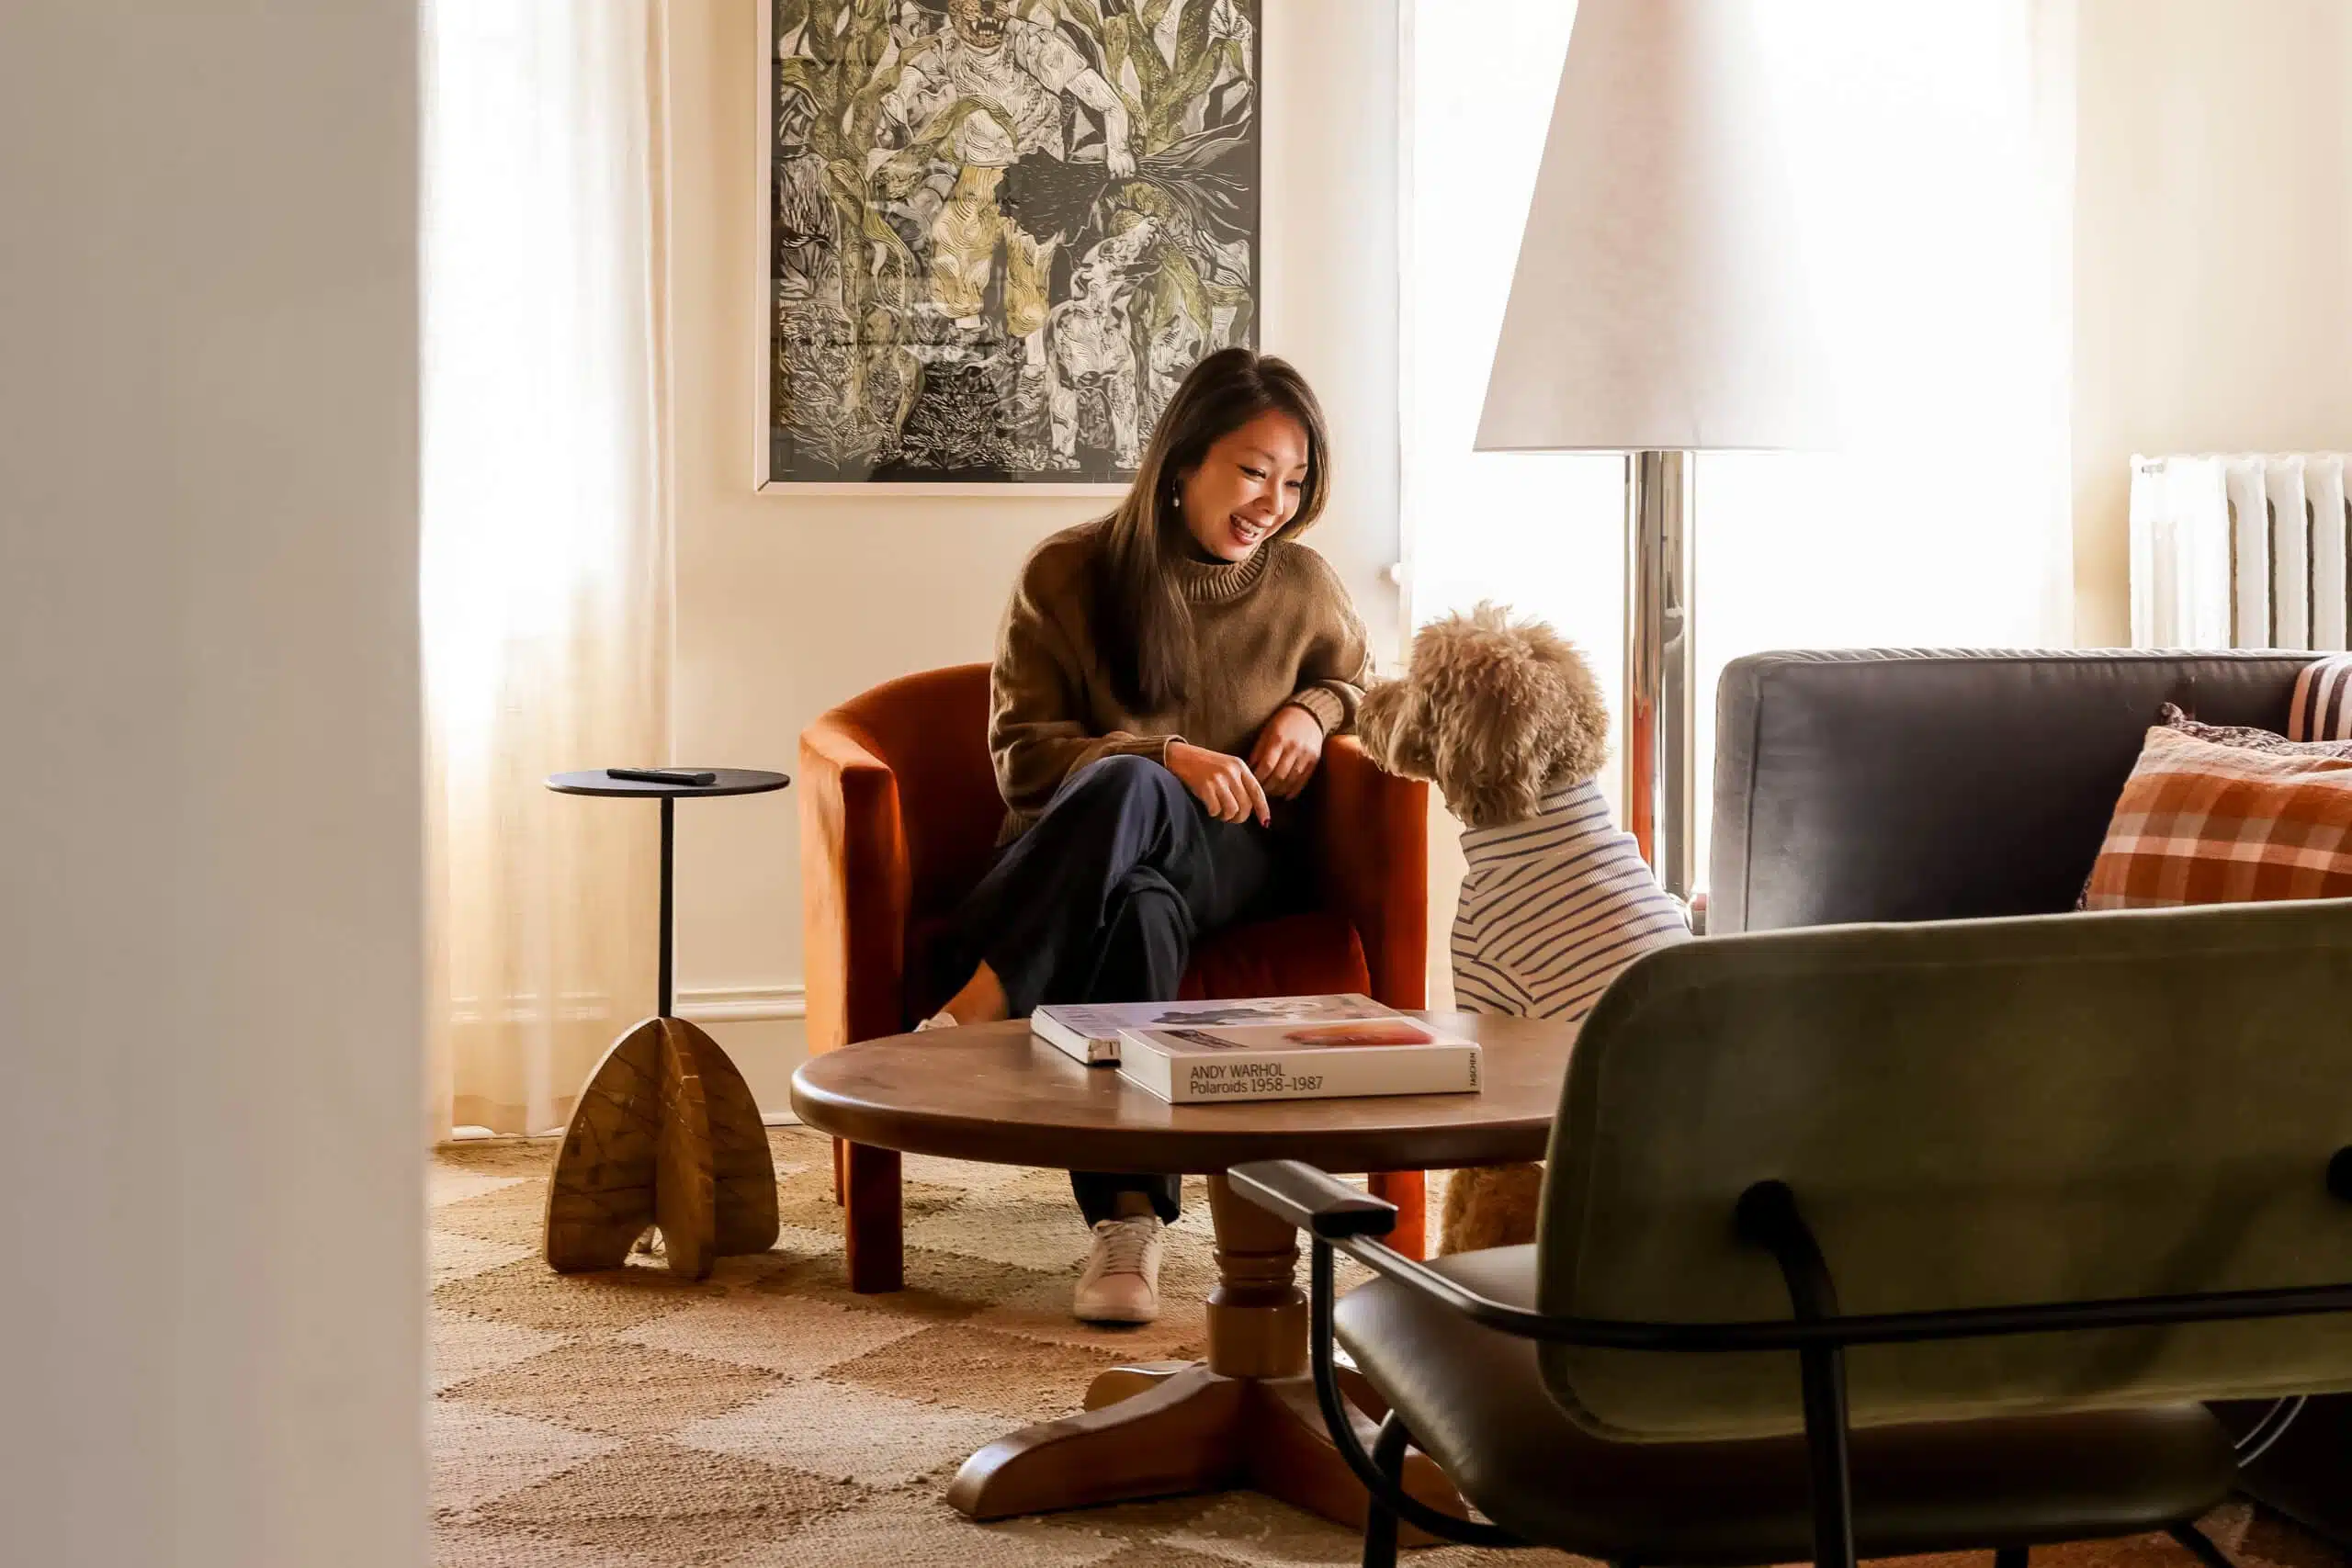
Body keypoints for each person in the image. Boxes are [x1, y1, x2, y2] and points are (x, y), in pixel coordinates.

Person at [922, 347, 1371, 1324]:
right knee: (1138, 891)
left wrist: (1317, 709)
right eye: (1253, 472)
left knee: (1144, 800)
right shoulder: (1068, 573)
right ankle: (1126, 1224)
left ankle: (985, 996)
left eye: (1295, 481)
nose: (1274, 504)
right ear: (1183, 463)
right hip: (1080, 858)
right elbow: (1022, 762)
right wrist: (1166, 755)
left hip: (1235, 861)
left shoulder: (1302, 586)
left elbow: (1362, 680)